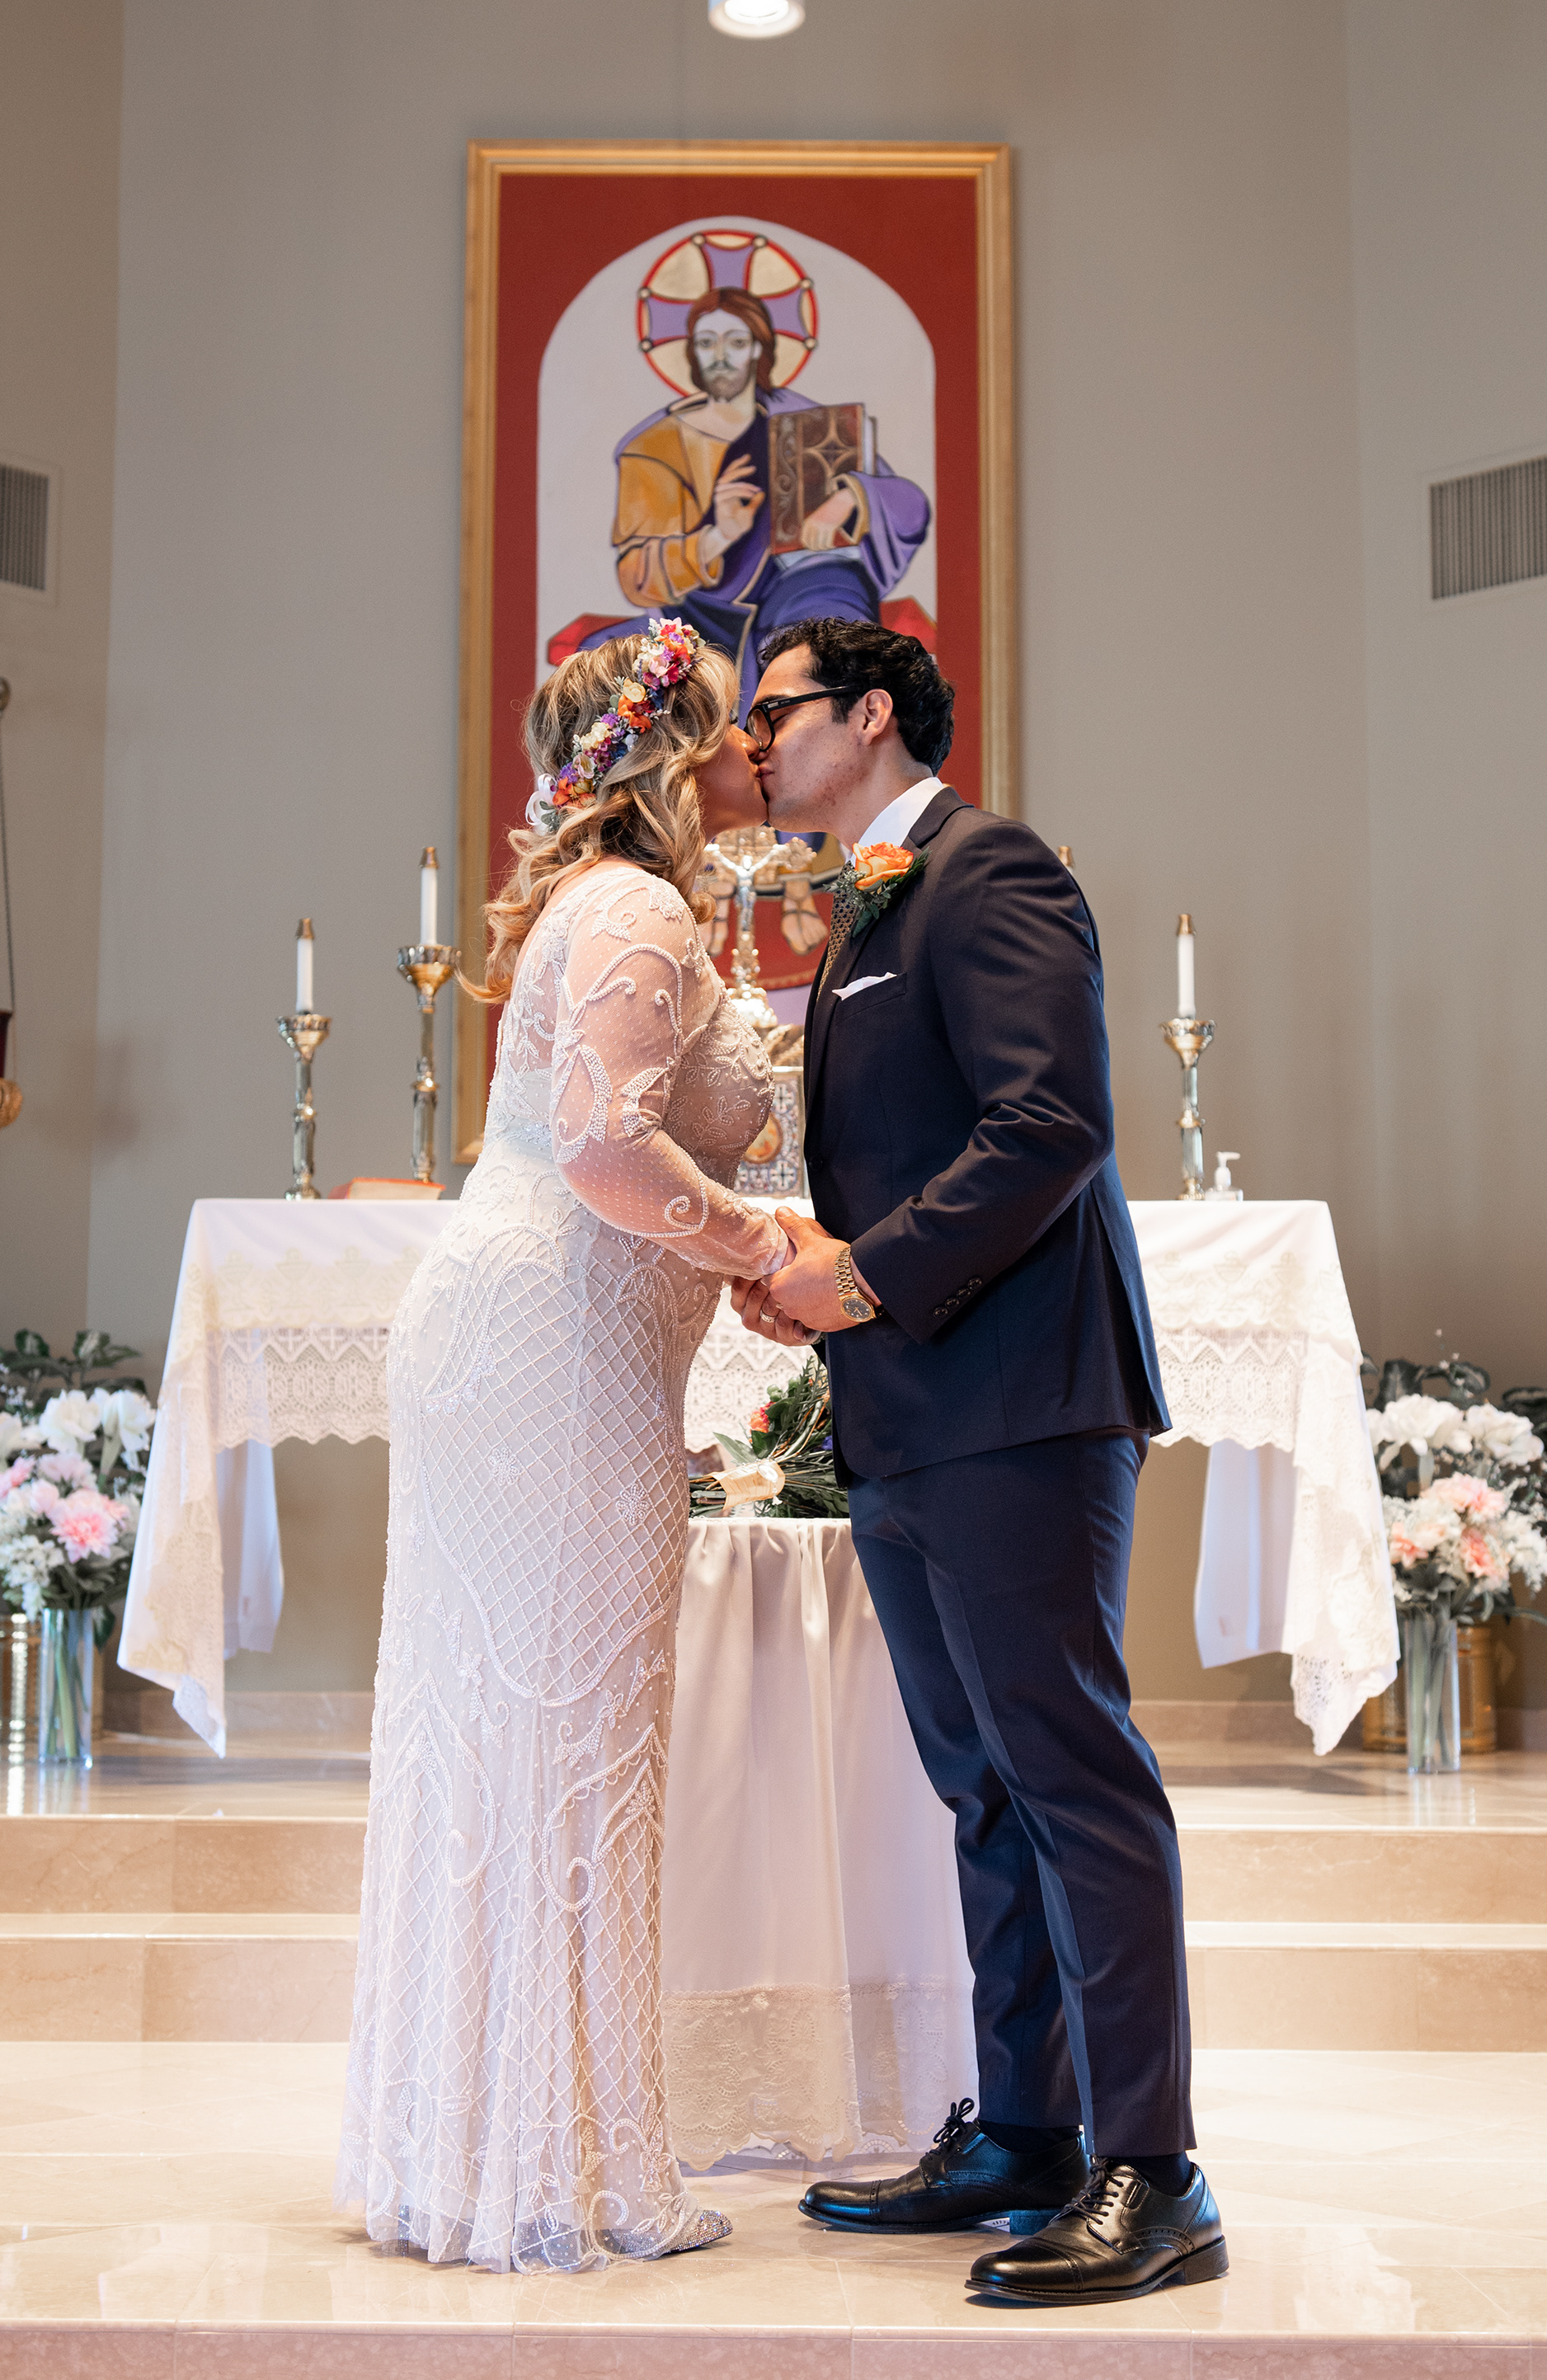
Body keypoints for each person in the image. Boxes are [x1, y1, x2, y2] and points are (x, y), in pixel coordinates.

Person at [730, 619, 1227, 2307]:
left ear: (871, 713)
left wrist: (863, 1275)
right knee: (986, 1788)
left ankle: (1155, 2170)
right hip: (912, 1408)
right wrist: (816, 1273)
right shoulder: (866, 905)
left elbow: (1052, 1124)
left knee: (1071, 1773)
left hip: (1019, 1402)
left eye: (778, 711)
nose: (753, 742)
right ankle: (1027, 2129)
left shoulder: (986, 867)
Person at [336, 621, 791, 2271]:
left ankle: (492, 2145)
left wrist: (732, 1248)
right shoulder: (638, 907)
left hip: (549, 1337)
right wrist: (761, 1245)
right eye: (728, 727)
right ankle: (564, 2166)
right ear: (673, 753)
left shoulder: (616, 905)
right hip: (557, 1350)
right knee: (573, 1727)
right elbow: (604, 1145)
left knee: (526, 1729)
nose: (751, 752)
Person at [578, 287, 929, 716]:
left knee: (828, 646)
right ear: (692, 353)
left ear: (758, 350)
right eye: (707, 343)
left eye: (736, 342)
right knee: (602, 673)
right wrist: (718, 537)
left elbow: (910, 505)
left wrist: (850, 495)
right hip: (701, 620)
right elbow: (637, 576)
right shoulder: (654, 450)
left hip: (801, 594)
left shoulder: (803, 425)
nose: (721, 356)